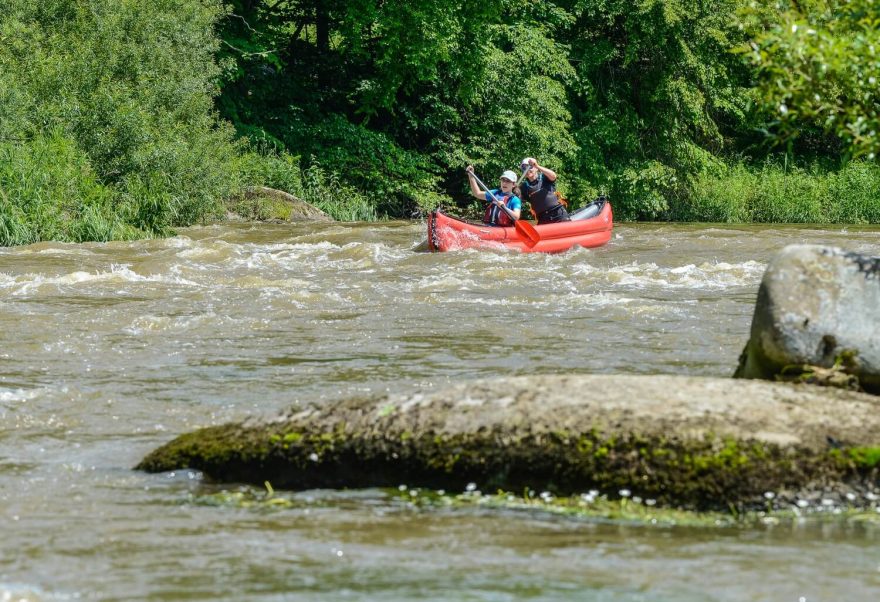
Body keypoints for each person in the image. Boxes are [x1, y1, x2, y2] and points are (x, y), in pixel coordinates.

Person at [518, 157, 569, 224]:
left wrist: (537, 166)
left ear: (536, 169)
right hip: (543, 218)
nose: (527, 170)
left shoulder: (544, 177)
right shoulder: (523, 187)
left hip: (558, 213)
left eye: (530, 167)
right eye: (524, 168)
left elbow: (553, 176)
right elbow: (517, 199)